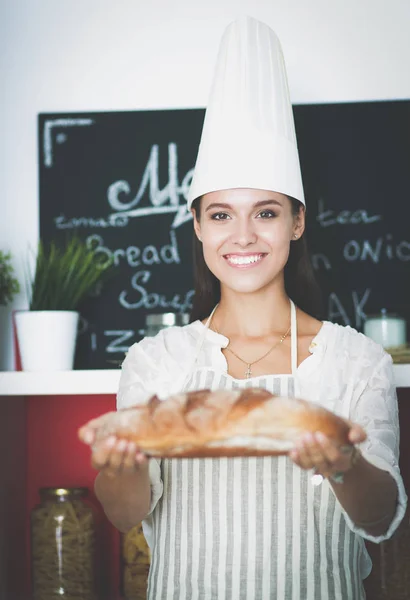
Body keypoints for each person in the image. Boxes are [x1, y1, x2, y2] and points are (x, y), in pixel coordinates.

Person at [80, 16, 407, 599]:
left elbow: (381, 522)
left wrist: (343, 465)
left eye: (267, 211)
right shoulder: (157, 362)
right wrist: (123, 460)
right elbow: (126, 514)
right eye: (222, 214)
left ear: (297, 222)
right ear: (200, 228)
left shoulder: (357, 361)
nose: (244, 236)